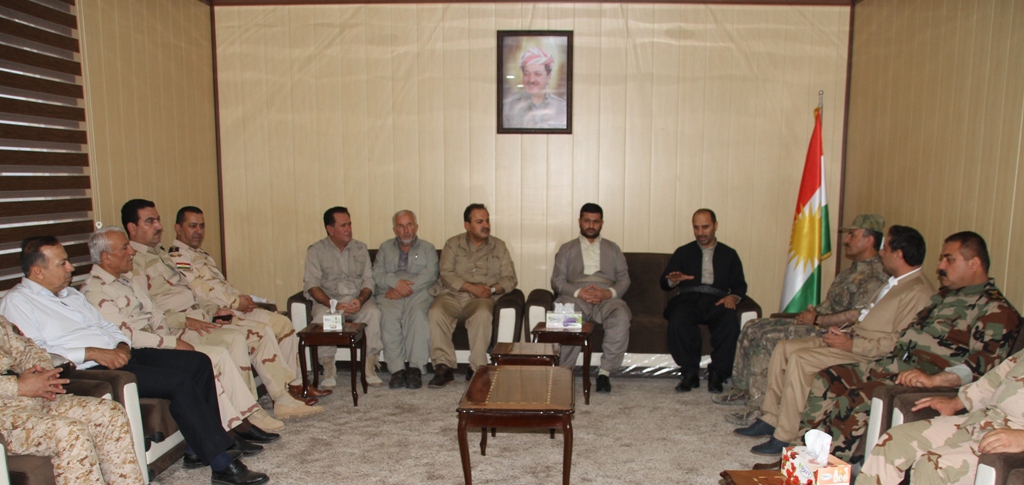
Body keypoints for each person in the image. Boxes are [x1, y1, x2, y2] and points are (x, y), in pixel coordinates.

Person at [0, 237, 269, 485]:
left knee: (197, 362)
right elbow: (39, 354)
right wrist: (93, 352)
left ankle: (196, 449)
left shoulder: (71, 295)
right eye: (62, 263)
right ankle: (221, 464)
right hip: (91, 369)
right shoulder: (18, 303)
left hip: (118, 354)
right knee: (178, 381)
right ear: (38, 271)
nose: (71, 267)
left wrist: (120, 345)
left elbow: (108, 326)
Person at [797, 231, 1021, 464]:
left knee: (856, 397)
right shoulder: (943, 297)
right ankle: (804, 454)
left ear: (974, 264)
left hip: (926, 379)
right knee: (827, 378)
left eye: (949, 259)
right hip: (894, 364)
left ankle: (833, 467)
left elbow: (983, 367)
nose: (941, 266)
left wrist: (935, 380)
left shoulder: (996, 310)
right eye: (941, 259)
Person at [735, 225, 934, 456]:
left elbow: (897, 342)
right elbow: (865, 317)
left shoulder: (918, 291)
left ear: (898, 254)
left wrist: (852, 344)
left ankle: (785, 435)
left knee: (800, 359)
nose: (881, 253)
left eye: (886, 248)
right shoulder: (894, 282)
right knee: (783, 348)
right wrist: (842, 332)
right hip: (850, 337)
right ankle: (770, 418)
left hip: (865, 352)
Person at [82, 226, 288, 439]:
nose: (131, 251)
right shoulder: (96, 291)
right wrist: (171, 344)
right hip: (139, 353)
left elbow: (155, 313)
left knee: (218, 354)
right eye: (125, 248)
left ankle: (243, 419)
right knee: (212, 357)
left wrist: (168, 340)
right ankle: (233, 429)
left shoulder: (127, 279)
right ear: (106, 257)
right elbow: (128, 337)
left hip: (159, 342)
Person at [121, 199, 320, 417]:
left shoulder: (162, 255)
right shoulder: (138, 261)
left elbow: (196, 293)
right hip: (182, 324)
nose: (159, 226)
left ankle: (286, 394)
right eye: (150, 221)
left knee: (276, 326)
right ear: (132, 227)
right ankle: (253, 411)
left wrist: (220, 307)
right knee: (248, 335)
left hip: (207, 312)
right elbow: (151, 309)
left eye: (158, 220)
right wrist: (229, 305)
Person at [717, 214, 890, 427]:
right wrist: (811, 313)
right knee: (752, 326)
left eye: (852, 235)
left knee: (767, 338)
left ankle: (760, 408)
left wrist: (817, 319)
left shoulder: (876, 275)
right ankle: (743, 389)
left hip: (832, 332)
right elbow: (833, 303)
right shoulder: (852, 270)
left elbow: (856, 315)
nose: (846, 240)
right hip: (817, 321)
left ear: (869, 240)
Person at [168, 206, 329, 398]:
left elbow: (222, 285)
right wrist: (237, 302)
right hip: (220, 313)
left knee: (283, 323)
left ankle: (297, 384)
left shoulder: (202, 255)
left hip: (235, 306)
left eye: (201, 226)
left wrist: (244, 298)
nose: (198, 231)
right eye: (192, 226)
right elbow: (200, 291)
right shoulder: (177, 257)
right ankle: (284, 391)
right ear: (178, 228)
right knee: (265, 330)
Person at [0, 314, 144, 485]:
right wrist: (17, 386)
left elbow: (28, 350)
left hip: (31, 399)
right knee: (70, 433)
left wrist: (43, 374)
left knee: (110, 413)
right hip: (5, 414)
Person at [858, 348, 1024, 485]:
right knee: (895, 441)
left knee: (932, 466)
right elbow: (996, 379)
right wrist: (957, 402)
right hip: (985, 420)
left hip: (1011, 437)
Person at [427, 203, 517, 387]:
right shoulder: (453, 244)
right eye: (479, 221)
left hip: (481, 298)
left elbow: (510, 279)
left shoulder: (499, 246)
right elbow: (446, 274)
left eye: (487, 221)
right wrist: (470, 287)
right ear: (467, 225)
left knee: (483, 313)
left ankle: (477, 368)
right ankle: (443, 367)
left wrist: (491, 290)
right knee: (436, 311)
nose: (486, 225)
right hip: (452, 295)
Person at [661, 208, 746, 393]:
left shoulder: (729, 254)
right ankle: (689, 373)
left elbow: (740, 285)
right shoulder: (683, 252)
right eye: (696, 227)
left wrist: (732, 296)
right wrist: (673, 280)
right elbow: (664, 282)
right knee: (678, 319)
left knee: (729, 322)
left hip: (717, 300)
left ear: (715, 226)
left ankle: (718, 374)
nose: (700, 232)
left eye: (705, 227)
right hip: (688, 298)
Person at [550, 203, 631, 394]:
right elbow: (557, 281)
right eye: (587, 221)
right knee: (563, 314)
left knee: (621, 315)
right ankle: (564, 371)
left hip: (606, 297)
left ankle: (604, 373)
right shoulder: (566, 249)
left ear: (601, 223)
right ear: (580, 221)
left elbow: (624, 279)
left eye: (595, 221)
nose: (591, 225)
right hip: (575, 296)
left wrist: (608, 293)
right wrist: (579, 292)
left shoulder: (613, 248)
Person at [304, 206, 384, 387]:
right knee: (322, 317)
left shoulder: (360, 248)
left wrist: (361, 300)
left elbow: (368, 280)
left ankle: (369, 363)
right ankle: (328, 365)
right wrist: (333, 304)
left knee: (373, 313)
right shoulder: (316, 251)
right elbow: (312, 285)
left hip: (357, 300)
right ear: (330, 229)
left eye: (349, 224)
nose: (348, 229)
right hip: (329, 301)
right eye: (343, 225)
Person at [373, 210, 438, 390]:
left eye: (409, 225)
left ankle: (415, 368)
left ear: (416, 227)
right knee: (387, 315)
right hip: (390, 292)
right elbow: (377, 272)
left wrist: (405, 289)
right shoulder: (385, 248)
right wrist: (395, 283)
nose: (406, 230)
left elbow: (430, 274)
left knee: (417, 314)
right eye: (401, 226)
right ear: (395, 229)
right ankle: (397, 369)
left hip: (418, 292)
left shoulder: (428, 248)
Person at [502, 46, 567, 129]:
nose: (531, 79)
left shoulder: (563, 107)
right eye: (526, 73)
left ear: (548, 77)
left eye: (537, 74)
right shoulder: (507, 107)